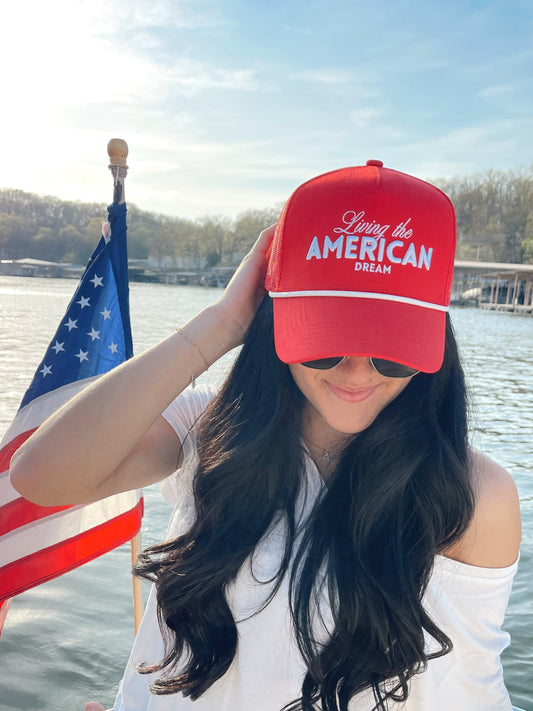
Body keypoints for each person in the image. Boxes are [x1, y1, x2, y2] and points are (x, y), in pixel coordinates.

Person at [10, 161, 521, 711]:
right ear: (276, 318)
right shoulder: (210, 429)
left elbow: (470, 691)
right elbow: (39, 474)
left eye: (392, 350)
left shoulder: (470, 494)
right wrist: (224, 322)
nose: (356, 372)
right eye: (325, 339)